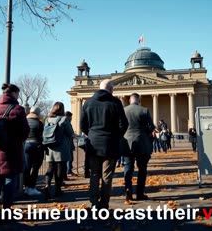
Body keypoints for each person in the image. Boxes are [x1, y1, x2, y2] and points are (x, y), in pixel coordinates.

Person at [80, 79, 128, 209]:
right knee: (107, 176)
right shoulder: (115, 102)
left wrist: (91, 134)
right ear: (111, 89)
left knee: (94, 174)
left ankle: (94, 203)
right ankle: (104, 204)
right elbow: (124, 124)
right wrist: (115, 136)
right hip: (110, 144)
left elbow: (82, 125)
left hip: (93, 143)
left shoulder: (88, 103)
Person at [0, 83, 29, 208]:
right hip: (13, 149)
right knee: (10, 179)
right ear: (14, 93)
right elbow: (25, 131)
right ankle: (6, 209)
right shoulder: (18, 109)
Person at [123, 93, 155, 201]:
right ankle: (140, 193)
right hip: (141, 142)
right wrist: (145, 132)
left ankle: (128, 189)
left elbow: (120, 126)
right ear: (139, 100)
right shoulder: (144, 110)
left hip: (127, 143)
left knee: (128, 167)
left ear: (129, 100)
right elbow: (151, 128)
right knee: (142, 169)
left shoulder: (124, 110)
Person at [42, 102, 74, 199]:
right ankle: (57, 189)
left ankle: (47, 184)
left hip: (50, 147)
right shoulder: (64, 119)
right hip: (61, 147)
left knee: (50, 168)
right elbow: (70, 133)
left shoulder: (48, 119)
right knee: (60, 168)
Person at [23, 106, 44, 196]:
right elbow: (42, 135)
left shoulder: (24, 122)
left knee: (27, 167)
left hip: (26, 145)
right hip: (36, 145)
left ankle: (26, 187)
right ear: (38, 113)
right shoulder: (39, 123)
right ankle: (32, 187)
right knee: (35, 168)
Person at [65, 111, 76, 178]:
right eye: (71, 117)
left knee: (70, 158)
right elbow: (70, 133)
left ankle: (69, 170)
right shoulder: (67, 123)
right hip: (68, 143)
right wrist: (74, 135)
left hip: (68, 142)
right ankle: (68, 171)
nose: (71, 118)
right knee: (69, 158)